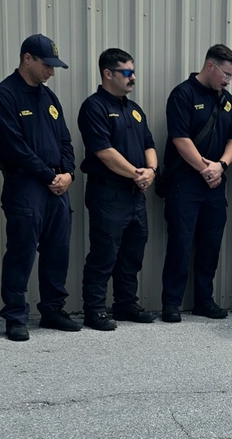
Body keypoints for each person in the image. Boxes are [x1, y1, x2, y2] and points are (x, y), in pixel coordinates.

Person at [0, 34, 79, 341]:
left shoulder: (49, 97)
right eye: (47, 65)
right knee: (21, 251)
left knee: (57, 251)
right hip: (25, 185)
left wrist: (68, 173)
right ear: (27, 58)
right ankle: (16, 316)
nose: (51, 72)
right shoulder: (5, 94)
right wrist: (48, 176)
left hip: (57, 186)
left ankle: (53, 310)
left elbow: (65, 140)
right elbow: (14, 146)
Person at [161, 44, 232, 322]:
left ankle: (204, 301)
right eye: (226, 74)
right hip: (185, 182)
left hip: (215, 183)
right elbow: (180, 138)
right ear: (210, 66)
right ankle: (171, 303)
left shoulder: (228, 101)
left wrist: (221, 166)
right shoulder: (183, 94)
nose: (228, 80)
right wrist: (205, 168)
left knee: (211, 244)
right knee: (180, 243)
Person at [78, 48, 158, 331]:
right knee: (104, 253)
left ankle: (125, 304)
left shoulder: (134, 109)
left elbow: (149, 144)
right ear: (108, 74)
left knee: (132, 253)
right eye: (127, 72)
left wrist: (151, 171)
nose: (132, 77)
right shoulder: (94, 107)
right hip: (108, 193)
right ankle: (95, 310)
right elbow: (104, 152)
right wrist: (137, 174)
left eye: (133, 72)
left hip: (135, 194)